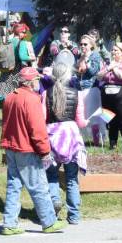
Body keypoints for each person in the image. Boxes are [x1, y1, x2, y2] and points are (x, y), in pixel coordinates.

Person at [0, 67, 65, 235]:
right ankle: (49, 222)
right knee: (39, 186)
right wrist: (44, 151)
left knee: (13, 186)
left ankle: (9, 223)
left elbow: (6, 124)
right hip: (26, 148)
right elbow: (37, 129)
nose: (39, 83)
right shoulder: (32, 99)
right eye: (37, 80)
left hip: (11, 146)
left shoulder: (10, 96)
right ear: (30, 82)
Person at [44, 62, 86, 224]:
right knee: (72, 178)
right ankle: (74, 215)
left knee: (51, 176)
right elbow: (81, 122)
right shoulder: (77, 94)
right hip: (71, 138)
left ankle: (54, 203)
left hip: (52, 137)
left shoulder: (46, 94)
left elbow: (42, 118)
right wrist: (87, 122)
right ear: (69, 75)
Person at [98, 42, 122, 151]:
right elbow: (99, 76)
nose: (113, 52)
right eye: (113, 50)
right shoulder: (108, 64)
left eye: (116, 50)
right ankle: (112, 145)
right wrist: (108, 68)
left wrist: (114, 67)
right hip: (107, 95)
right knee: (110, 120)